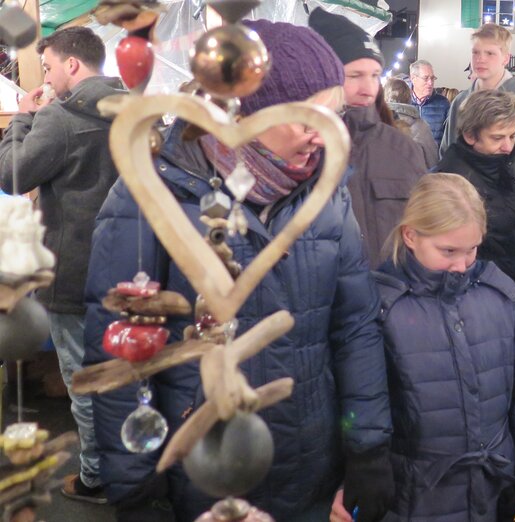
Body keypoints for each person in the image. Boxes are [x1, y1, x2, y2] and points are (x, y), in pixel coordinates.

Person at [83, 20, 394, 522]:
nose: (324, 135)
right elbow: (120, 353)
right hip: (205, 468)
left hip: (312, 463)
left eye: (333, 116)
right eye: (306, 117)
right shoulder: (153, 194)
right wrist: (136, 488)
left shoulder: (327, 194)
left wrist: (368, 446)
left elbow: (355, 325)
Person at [354, 173, 515, 521]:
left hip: (497, 488)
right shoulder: (380, 308)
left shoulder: (500, 295)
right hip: (416, 498)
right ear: (411, 235)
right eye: (448, 251)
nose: (462, 265)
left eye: (472, 250)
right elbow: (360, 414)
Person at [0, 26, 124, 505]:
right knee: (129, 375)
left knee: (84, 380)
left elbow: (12, 174)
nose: (46, 76)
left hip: (75, 273)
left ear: (72, 65)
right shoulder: (137, 109)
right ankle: (135, 468)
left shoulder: (60, 117)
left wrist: (24, 118)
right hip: (135, 270)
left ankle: (96, 477)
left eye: (48, 66)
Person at [436, 90, 515, 369]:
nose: (507, 146)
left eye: (512, 136)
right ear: (470, 135)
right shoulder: (451, 179)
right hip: (480, 309)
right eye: (497, 137)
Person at [309, 7, 427, 268]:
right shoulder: (305, 149)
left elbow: (424, 227)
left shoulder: (403, 149)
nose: (367, 88)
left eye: (374, 75)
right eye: (354, 76)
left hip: (394, 296)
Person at [440, 24, 515, 178]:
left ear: (506, 58)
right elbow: (448, 152)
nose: (481, 59)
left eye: (490, 53)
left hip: (505, 196)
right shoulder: (461, 101)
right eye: (476, 52)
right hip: (460, 194)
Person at [384, 77, 440, 168]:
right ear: (409, 97)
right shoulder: (422, 127)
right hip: (414, 180)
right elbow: (432, 161)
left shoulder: (374, 123)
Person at [408, 60, 450, 146]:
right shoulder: (403, 102)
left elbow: (448, 138)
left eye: (432, 78)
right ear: (413, 79)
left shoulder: (443, 104)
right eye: (425, 78)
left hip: (434, 158)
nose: (430, 83)